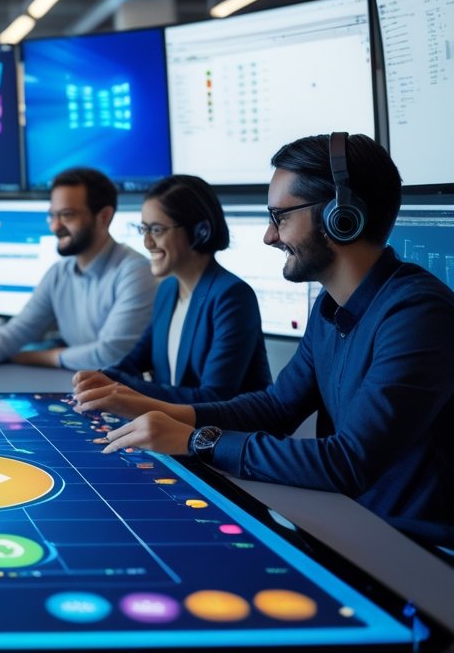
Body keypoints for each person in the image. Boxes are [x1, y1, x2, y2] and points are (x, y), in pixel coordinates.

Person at [77, 133, 454, 548]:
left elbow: (349, 461)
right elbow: (277, 407)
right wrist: (166, 412)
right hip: (352, 521)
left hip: (415, 548)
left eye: (280, 217)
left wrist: (193, 440)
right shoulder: (330, 307)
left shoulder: (418, 313)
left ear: (340, 217)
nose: (269, 236)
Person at [0, 167, 156, 370]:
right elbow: (18, 330)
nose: (55, 226)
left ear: (104, 217)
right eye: (52, 215)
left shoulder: (134, 272)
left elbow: (110, 354)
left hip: (123, 396)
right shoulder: (60, 272)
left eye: (67, 215)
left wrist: (33, 356)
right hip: (81, 386)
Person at [72, 175, 271, 403]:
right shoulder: (168, 289)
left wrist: (119, 389)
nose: (147, 242)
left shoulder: (232, 296)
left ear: (201, 231)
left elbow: (215, 398)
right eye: (143, 229)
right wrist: (99, 378)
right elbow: (135, 361)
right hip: (176, 429)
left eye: (156, 230)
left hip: (224, 435)